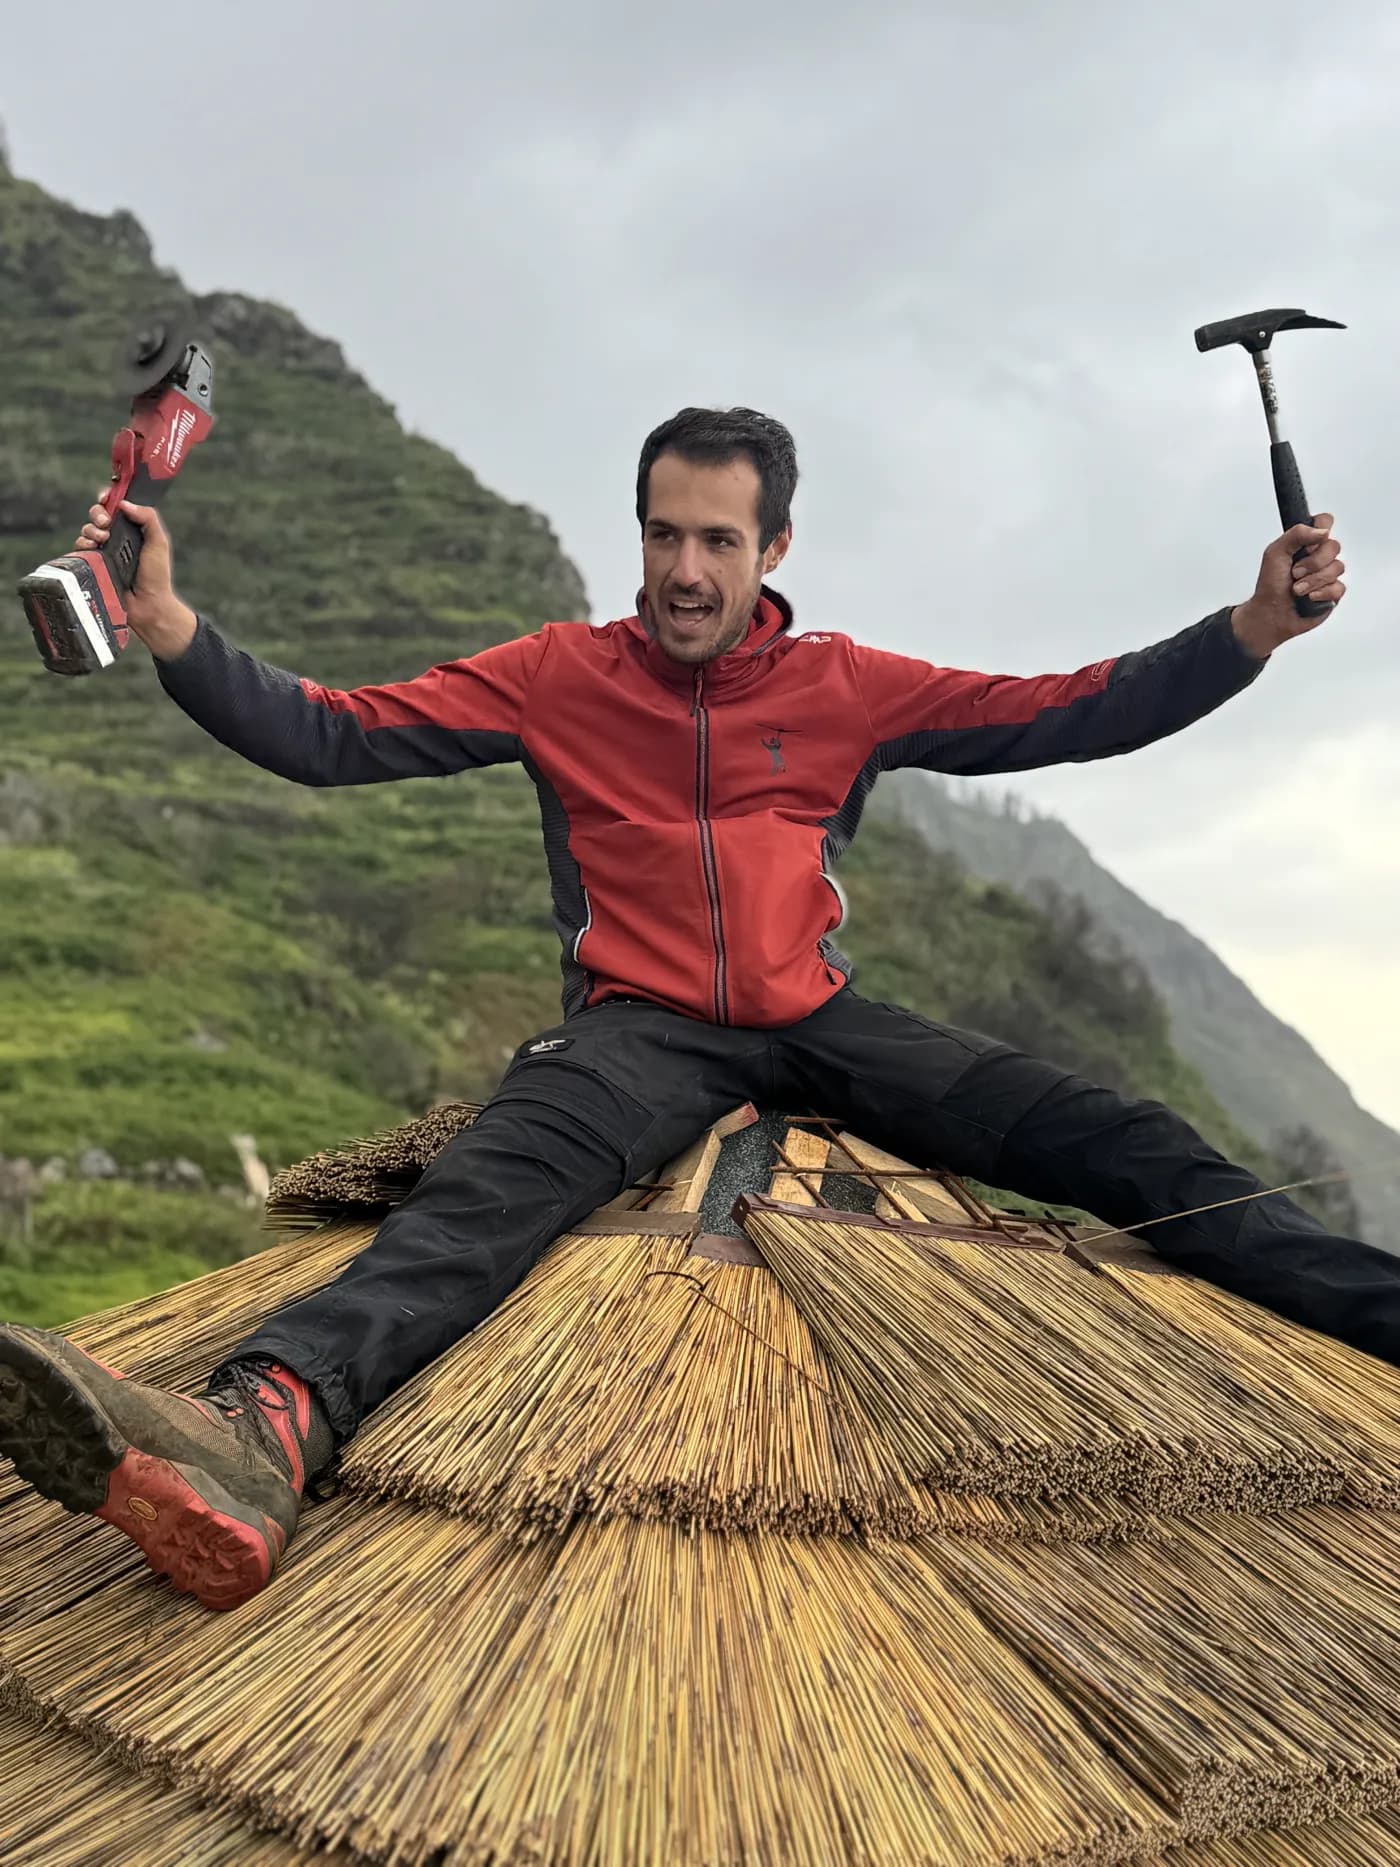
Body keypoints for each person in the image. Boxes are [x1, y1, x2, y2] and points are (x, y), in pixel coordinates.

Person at [0, 407, 1376, 1614]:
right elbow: (329, 735)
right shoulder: (557, 674)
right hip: (633, 1028)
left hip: (822, 1015)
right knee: (478, 1202)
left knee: (1131, 1145)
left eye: (718, 540)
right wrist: (172, 628)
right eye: (664, 535)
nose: (684, 570)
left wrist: (1253, 626)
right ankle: (258, 1434)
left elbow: (1069, 711)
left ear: (774, 548)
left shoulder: (845, 683)